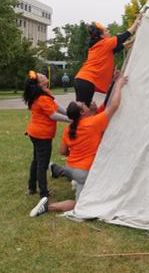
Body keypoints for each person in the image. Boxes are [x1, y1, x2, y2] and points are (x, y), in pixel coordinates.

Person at [29, 75, 127, 216]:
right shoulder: (93, 124)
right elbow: (114, 106)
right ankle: (48, 207)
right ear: (82, 112)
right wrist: (119, 85)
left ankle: (58, 171)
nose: (87, 105)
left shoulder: (70, 128)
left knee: (77, 178)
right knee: (79, 204)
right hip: (83, 173)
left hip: (70, 168)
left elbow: (63, 151)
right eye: (84, 106)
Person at [23, 71, 69, 207]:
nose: (43, 75)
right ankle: (43, 194)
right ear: (39, 83)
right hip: (41, 135)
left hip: (35, 132)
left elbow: (56, 106)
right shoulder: (41, 97)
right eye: (41, 77)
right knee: (42, 164)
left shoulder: (44, 92)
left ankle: (31, 188)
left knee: (37, 160)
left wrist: (69, 113)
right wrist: (70, 119)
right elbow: (53, 115)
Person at [73, 20, 139, 105]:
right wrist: (136, 23)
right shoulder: (105, 43)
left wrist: (130, 42)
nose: (109, 31)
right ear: (102, 35)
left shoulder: (100, 46)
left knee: (82, 108)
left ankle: (77, 117)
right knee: (84, 110)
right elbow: (123, 37)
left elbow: (117, 48)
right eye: (106, 30)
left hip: (81, 79)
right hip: (86, 81)